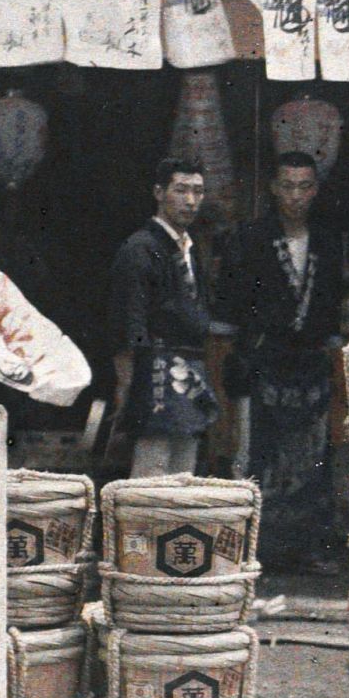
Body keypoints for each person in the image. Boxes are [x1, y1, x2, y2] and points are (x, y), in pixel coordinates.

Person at [216, 151, 347, 570]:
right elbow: (228, 307)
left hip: (309, 363)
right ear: (274, 188)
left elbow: (332, 307)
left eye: (304, 186)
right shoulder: (249, 237)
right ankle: (257, 551)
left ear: (316, 189)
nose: (296, 196)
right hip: (264, 360)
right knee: (259, 456)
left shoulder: (327, 240)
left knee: (311, 457)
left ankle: (308, 549)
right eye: (288, 186)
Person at [109, 159, 219, 478]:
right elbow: (129, 322)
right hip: (154, 369)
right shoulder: (140, 248)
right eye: (181, 190)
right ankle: (142, 530)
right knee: (152, 473)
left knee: (183, 473)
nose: (190, 200)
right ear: (159, 192)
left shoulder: (186, 247)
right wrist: (126, 383)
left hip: (188, 368)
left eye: (198, 191)